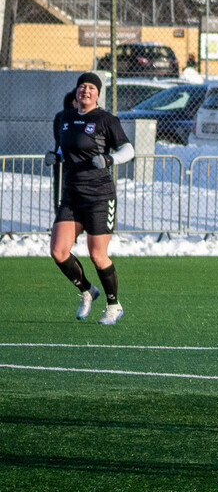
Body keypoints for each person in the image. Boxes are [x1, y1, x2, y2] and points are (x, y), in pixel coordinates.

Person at [49, 72, 135, 325]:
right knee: (58, 251)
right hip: (72, 195)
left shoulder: (106, 119)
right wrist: (57, 156)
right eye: (82, 87)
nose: (85, 90)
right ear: (76, 92)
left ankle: (113, 305)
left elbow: (128, 150)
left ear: (97, 94)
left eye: (91, 88)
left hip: (99, 196)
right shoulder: (66, 118)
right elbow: (66, 147)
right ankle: (87, 290)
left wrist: (109, 159)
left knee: (98, 256)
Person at [46, 91, 78, 207]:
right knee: (61, 192)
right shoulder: (62, 117)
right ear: (74, 102)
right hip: (64, 162)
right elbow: (60, 137)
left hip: (78, 164)